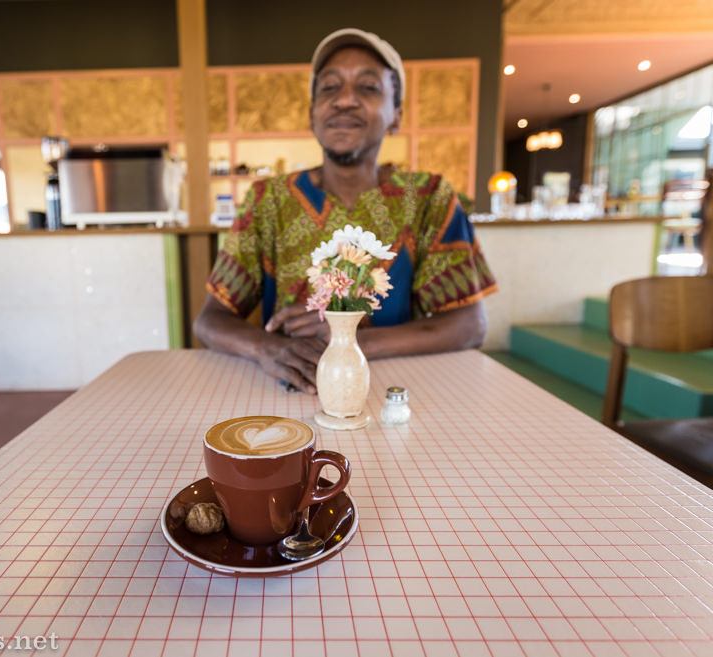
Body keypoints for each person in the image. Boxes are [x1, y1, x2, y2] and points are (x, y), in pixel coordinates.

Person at [193, 28, 497, 393]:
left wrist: (345, 338)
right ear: (312, 115)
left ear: (396, 116)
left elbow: (469, 325)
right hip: (293, 391)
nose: (345, 100)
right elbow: (210, 320)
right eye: (329, 88)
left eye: (368, 87)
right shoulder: (268, 200)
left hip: (394, 395)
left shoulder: (428, 198)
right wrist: (268, 347)